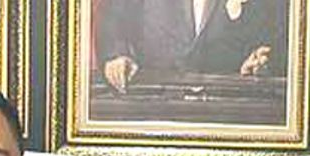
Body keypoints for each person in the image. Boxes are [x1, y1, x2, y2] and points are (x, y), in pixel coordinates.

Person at [96, 0, 287, 92]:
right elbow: (113, 18)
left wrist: (258, 61)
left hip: (227, 100)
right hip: (153, 96)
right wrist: (116, 56)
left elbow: (280, 36)